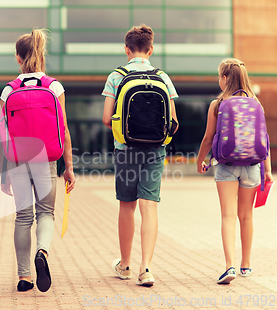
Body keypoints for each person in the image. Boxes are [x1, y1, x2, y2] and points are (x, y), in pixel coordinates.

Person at [102, 24, 179, 287]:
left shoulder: (116, 76)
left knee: (127, 205)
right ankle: (146, 269)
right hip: (155, 150)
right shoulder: (163, 77)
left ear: (126, 49)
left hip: (126, 149)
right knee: (149, 206)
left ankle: (124, 265)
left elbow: (105, 118)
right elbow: (173, 121)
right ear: (151, 49)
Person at [0, 28, 76, 292]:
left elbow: (4, 136)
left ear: (18, 59)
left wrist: (3, 173)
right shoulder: (54, 87)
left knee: (23, 217)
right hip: (47, 159)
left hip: (18, 160)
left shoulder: (8, 92)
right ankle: (42, 252)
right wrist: (69, 168)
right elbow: (64, 129)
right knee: (46, 212)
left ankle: (24, 277)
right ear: (41, 55)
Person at [196, 58, 273, 284]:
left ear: (225, 78)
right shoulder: (256, 103)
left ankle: (229, 266)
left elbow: (208, 138)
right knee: (247, 216)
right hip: (252, 166)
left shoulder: (218, 104)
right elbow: (264, 139)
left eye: (220, 76)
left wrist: (200, 160)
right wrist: (267, 170)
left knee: (228, 216)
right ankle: (246, 265)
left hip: (226, 166)